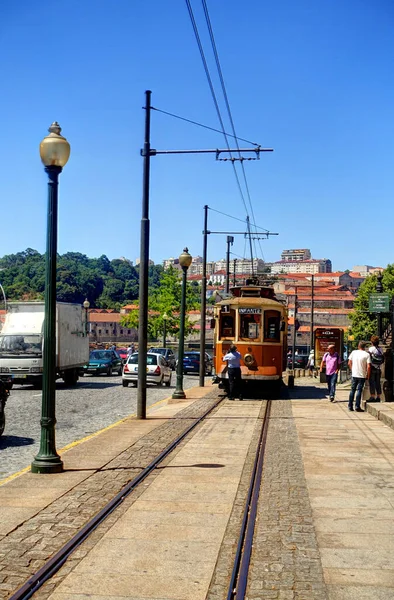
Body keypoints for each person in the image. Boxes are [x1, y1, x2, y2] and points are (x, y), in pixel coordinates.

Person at [348, 341, 371, 412]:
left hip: (354, 374)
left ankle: (350, 406)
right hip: (362, 374)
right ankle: (357, 406)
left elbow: (349, 363)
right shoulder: (367, 354)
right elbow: (369, 366)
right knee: (359, 390)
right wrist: (368, 375)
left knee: (352, 390)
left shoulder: (353, 352)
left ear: (358, 346)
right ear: (364, 347)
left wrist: (352, 369)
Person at [368, 335, 384, 402]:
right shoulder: (380, 349)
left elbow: (368, 358)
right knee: (378, 383)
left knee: (372, 382)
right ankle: (378, 396)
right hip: (379, 368)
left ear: (372, 342)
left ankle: (372, 396)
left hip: (372, 367)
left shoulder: (371, 349)